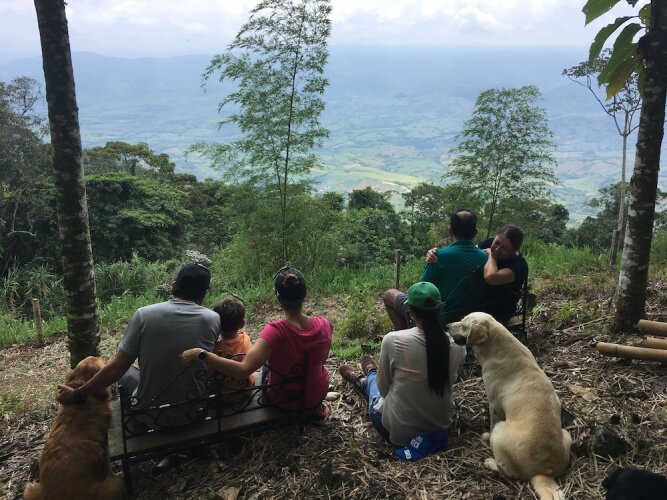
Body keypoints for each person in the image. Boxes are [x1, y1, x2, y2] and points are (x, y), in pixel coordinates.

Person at [57, 263, 220, 408]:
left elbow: (117, 368)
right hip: (196, 410)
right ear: (204, 293)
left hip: (151, 416)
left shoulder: (144, 315)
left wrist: (77, 394)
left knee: (127, 372)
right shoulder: (213, 319)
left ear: (173, 286)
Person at [181, 267, 333, 416]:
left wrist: (203, 355)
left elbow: (243, 370)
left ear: (279, 299)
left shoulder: (275, 331)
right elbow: (323, 360)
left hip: (285, 400)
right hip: (317, 394)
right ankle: (316, 409)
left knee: (266, 366)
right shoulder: (324, 324)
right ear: (304, 295)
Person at [340, 282, 466, 459]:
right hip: (439, 427)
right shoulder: (458, 346)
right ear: (439, 309)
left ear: (410, 312)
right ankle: (368, 374)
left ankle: (364, 378)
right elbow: (450, 381)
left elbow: (384, 389)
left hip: (397, 433)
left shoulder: (393, 340)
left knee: (375, 387)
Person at [383, 209, 488, 329]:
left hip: (439, 321)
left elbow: (421, 291)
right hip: (471, 321)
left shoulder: (439, 257)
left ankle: (409, 335)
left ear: (450, 231)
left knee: (389, 295)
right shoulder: (487, 258)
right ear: (475, 233)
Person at [477, 224, 528, 324]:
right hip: (478, 302)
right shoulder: (489, 243)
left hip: (499, 312)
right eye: (497, 242)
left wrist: (491, 256)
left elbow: (491, 277)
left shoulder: (519, 266)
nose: (497, 249)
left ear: (514, 250)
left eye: (505, 248)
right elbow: (469, 251)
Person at [211, 297, 255, 389]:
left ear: (217, 324)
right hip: (246, 387)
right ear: (242, 324)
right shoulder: (245, 338)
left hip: (224, 393)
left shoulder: (214, 349)